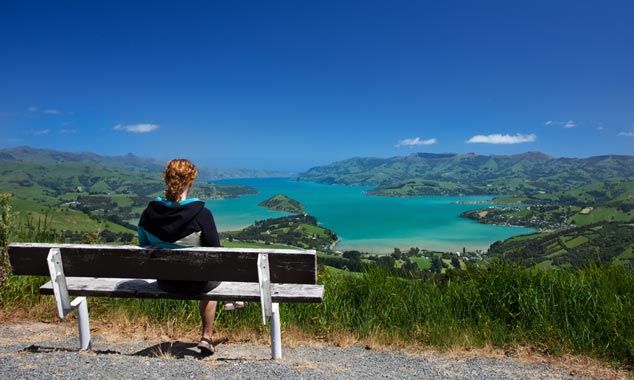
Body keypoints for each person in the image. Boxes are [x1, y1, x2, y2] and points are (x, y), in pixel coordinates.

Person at [137, 158, 243, 356]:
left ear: (166, 180)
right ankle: (206, 336)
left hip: (166, 282)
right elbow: (216, 254)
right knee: (213, 273)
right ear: (191, 182)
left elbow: (143, 245)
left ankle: (230, 302)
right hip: (197, 285)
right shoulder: (201, 214)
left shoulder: (148, 214)